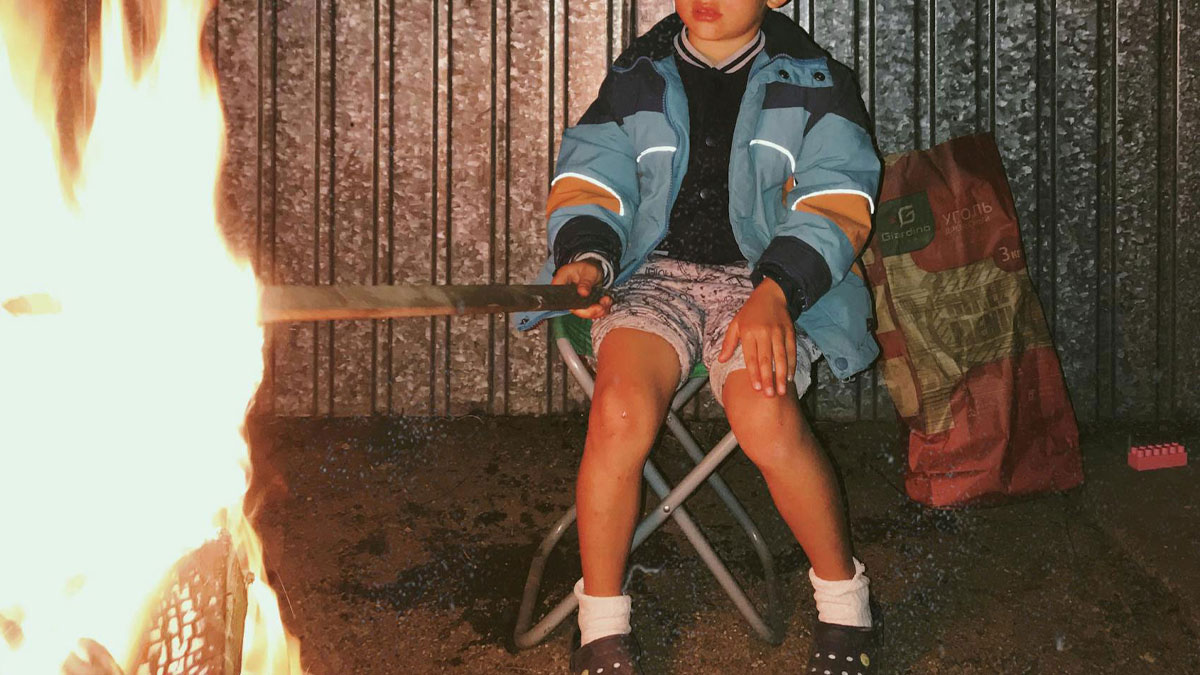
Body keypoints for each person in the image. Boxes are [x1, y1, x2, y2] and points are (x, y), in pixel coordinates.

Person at [515, 1, 882, 672]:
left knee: (765, 414)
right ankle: (600, 620)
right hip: (651, 279)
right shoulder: (639, 74)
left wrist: (778, 289)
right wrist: (589, 255)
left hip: (764, 283)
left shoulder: (818, 82)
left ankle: (846, 600)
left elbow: (839, 196)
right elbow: (593, 175)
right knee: (618, 411)